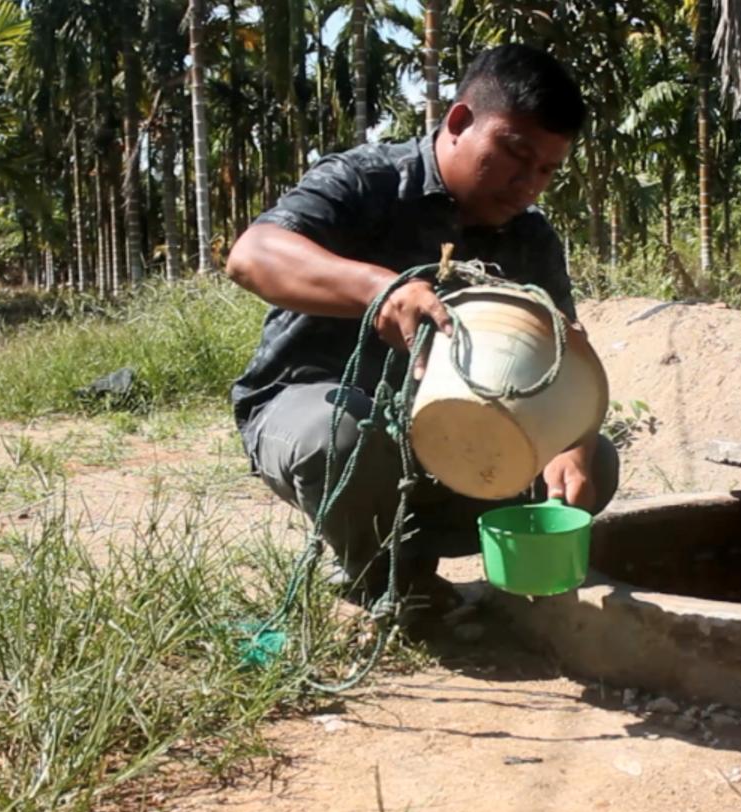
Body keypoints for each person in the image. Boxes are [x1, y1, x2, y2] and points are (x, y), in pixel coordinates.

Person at [224, 43, 619, 617]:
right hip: (319, 417)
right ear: (459, 122)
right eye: (514, 154)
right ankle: (382, 573)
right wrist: (379, 289)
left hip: (452, 436)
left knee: (595, 462)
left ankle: (466, 566)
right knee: (344, 437)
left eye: (547, 170)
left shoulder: (529, 238)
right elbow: (251, 256)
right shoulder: (365, 182)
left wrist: (574, 444)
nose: (529, 184)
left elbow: (565, 349)